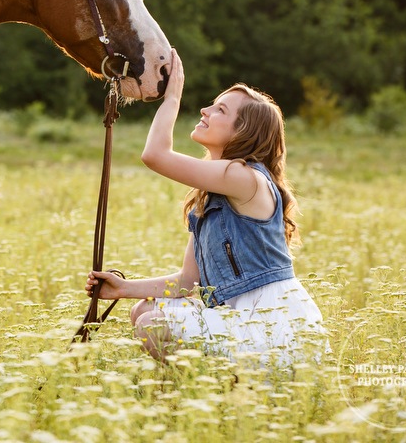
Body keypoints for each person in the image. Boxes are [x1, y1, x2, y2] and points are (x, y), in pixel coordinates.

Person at [86, 49, 324, 364]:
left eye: (220, 110)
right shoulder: (211, 195)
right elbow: (188, 281)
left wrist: (171, 98)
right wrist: (122, 289)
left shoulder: (246, 179)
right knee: (143, 309)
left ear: (243, 131)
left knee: (152, 324)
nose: (205, 110)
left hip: (273, 326)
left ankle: (211, 395)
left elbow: (155, 155)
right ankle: (204, 394)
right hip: (237, 318)